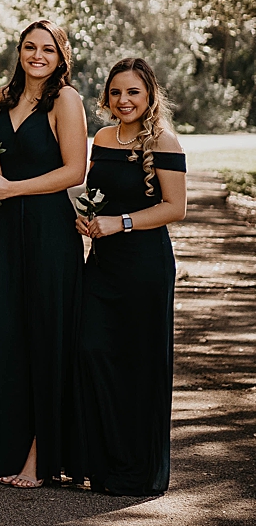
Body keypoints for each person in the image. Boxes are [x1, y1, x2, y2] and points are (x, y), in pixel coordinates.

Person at [74, 58, 186, 496]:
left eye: (133, 92)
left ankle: (137, 471)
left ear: (150, 95)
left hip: (144, 266)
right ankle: (104, 463)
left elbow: (174, 207)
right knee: (92, 350)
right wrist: (87, 218)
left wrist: (118, 222)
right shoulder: (102, 137)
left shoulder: (164, 140)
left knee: (138, 364)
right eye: (116, 92)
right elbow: (94, 193)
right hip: (102, 264)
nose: (124, 101)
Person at [0, 19, 87, 488]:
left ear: (61, 56)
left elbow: (74, 171)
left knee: (47, 336)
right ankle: (6, 444)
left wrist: (13, 188)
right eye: (30, 47)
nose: (38, 55)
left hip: (48, 232)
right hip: (4, 231)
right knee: (9, 335)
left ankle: (41, 456)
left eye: (48, 49)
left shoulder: (66, 100)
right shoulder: (1, 100)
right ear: (19, 50)